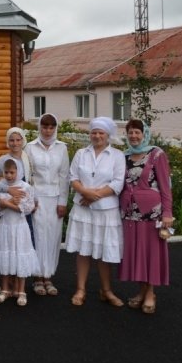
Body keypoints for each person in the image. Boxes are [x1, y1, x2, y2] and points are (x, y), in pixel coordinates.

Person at [65, 116, 125, 307]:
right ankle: (80, 289)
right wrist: (84, 191)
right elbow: (72, 177)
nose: (97, 136)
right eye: (94, 132)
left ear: (108, 136)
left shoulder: (117, 156)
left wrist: (92, 195)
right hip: (83, 210)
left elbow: (117, 183)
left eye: (101, 133)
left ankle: (106, 290)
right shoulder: (81, 153)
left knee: (103, 252)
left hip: (106, 211)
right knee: (83, 252)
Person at [120, 120, 173, 314]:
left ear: (145, 134)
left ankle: (151, 293)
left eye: (137, 132)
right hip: (129, 214)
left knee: (151, 254)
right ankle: (141, 291)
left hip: (151, 213)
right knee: (137, 254)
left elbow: (166, 187)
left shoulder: (156, 154)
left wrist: (168, 213)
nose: (133, 136)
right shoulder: (124, 156)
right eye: (130, 133)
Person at [24, 114, 70, 297]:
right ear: (39, 127)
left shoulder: (62, 148)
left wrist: (62, 202)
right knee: (38, 237)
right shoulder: (30, 147)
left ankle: (48, 276)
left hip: (55, 198)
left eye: (51, 127)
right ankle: (37, 277)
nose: (48, 131)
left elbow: (64, 177)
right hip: (36, 199)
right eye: (44, 127)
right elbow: (27, 177)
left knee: (52, 237)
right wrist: (30, 200)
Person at [0, 159, 39, 306]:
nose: (9, 175)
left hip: (20, 228)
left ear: (19, 172)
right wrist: (8, 202)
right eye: (6, 172)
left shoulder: (25, 187)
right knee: (6, 254)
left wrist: (6, 204)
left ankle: (21, 291)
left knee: (19, 256)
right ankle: (4, 289)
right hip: (5, 227)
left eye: (12, 172)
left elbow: (29, 208)